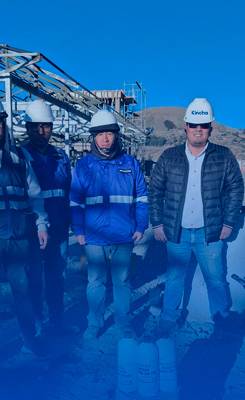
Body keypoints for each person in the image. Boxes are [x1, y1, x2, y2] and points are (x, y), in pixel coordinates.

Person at [149, 98, 244, 336]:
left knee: (216, 279)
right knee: (174, 278)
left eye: (203, 125)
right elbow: (155, 191)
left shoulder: (224, 156)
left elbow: (235, 188)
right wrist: (157, 223)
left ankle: (221, 322)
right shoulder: (169, 157)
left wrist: (228, 222)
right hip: (176, 232)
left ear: (211, 128)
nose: (198, 129)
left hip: (209, 233)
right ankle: (168, 318)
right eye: (193, 125)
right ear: (185, 127)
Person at [0, 92, 50, 366]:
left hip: (18, 238)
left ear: (3, 124)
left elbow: (35, 195)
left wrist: (41, 224)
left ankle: (30, 341)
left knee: (25, 293)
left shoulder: (18, 158)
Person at [70, 110, 148, 339]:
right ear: (93, 137)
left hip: (123, 234)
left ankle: (123, 322)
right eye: (100, 134)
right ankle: (94, 323)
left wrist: (140, 226)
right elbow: (75, 202)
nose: (105, 138)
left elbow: (142, 199)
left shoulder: (130, 164)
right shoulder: (83, 166)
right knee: (95, 281)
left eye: (110, 133)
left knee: (122, 281)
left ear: (116, 135)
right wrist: (79, 230)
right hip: (94, 235)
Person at [21, 99, 77, 335]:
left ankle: (57, 320)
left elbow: (70, 190)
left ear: (52, 128)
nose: (40, 131)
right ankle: (36, 323)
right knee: (33, 279)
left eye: (45, 126)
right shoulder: (19, 156)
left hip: (59, 228)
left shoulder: (60, 156)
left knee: (57, 277)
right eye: (35, 127)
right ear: (27, 128)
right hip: (31, 230)